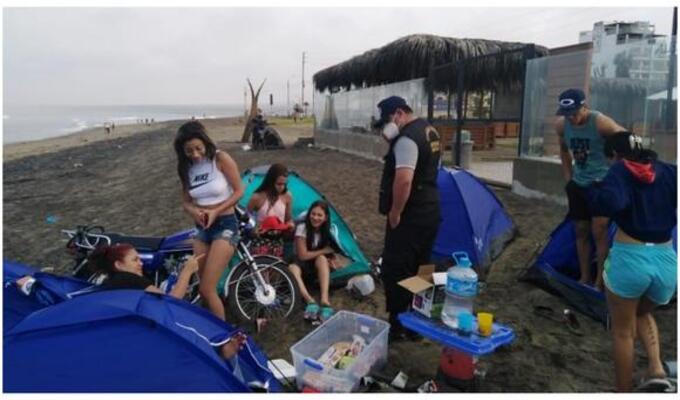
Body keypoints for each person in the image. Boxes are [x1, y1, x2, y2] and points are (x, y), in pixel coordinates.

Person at [588, 132, 677, 392]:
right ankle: (656, 369)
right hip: (666, 262)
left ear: (615, 156)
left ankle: (623, 391)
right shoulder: (668, 171)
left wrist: (595, 190)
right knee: (641, 312)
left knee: (623, 332)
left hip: (630, 258)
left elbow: (611, 203)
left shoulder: (619, 171)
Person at [373, 96, 441, 342]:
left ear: (399, 114)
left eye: (387, 121)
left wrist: (395, 212)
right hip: (430, 208)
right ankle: (417, 321)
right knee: (422, 266)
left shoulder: (406, 139)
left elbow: (403, 180)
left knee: (397, 267)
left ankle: (399, 323)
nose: (386, 127)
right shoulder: (429, 130)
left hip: (410, 213)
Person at [555, 88, 625, 290]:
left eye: (574, 113)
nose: (571, 118)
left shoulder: (600, 122)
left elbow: (627, 141)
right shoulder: (561, 125)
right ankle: (584, 277)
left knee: (599, 232)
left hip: (601, 185)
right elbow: (563, 150)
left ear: (585, 107)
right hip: (579, 184)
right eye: (567, 114)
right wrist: (568, 178)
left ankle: (599, 282)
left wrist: (615, 173)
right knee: (581, 231)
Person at [174, 120, 244, 320]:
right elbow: (186, 202)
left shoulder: (220, 158)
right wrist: (195, 212)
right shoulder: (186, 168)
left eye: (198, 148)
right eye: (189, 151)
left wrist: (216, 211)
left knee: (207, 288)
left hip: (225, 225)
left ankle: (224, 334)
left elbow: (239, 191)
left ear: (205, 142)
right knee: (203, 287)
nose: (195, 154)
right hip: (202, 229)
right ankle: (210, 325)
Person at [288, 200, 341, 323]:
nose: (315, 218)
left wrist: (332, 258)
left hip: (314, 268)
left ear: (325, 218)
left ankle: (325, 300)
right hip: (300, 264)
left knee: (322, 259)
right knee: (292, 268)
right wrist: (324, 250)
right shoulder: (302, 228)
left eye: (319, 215)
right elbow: (302, 255)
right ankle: (309, 301)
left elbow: (333, 251)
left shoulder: (327, 231)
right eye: (313, 214)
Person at [247, 163, 295, 258]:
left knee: (276, 266)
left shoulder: (287, 196)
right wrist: (253, 229)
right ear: (271, 181)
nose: (282, 187)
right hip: (260, 240)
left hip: (278, 241)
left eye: (285, 184)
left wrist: (291, 225)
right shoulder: (257, 197)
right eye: (279, 184)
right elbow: (246, 217)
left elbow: (288, 219)